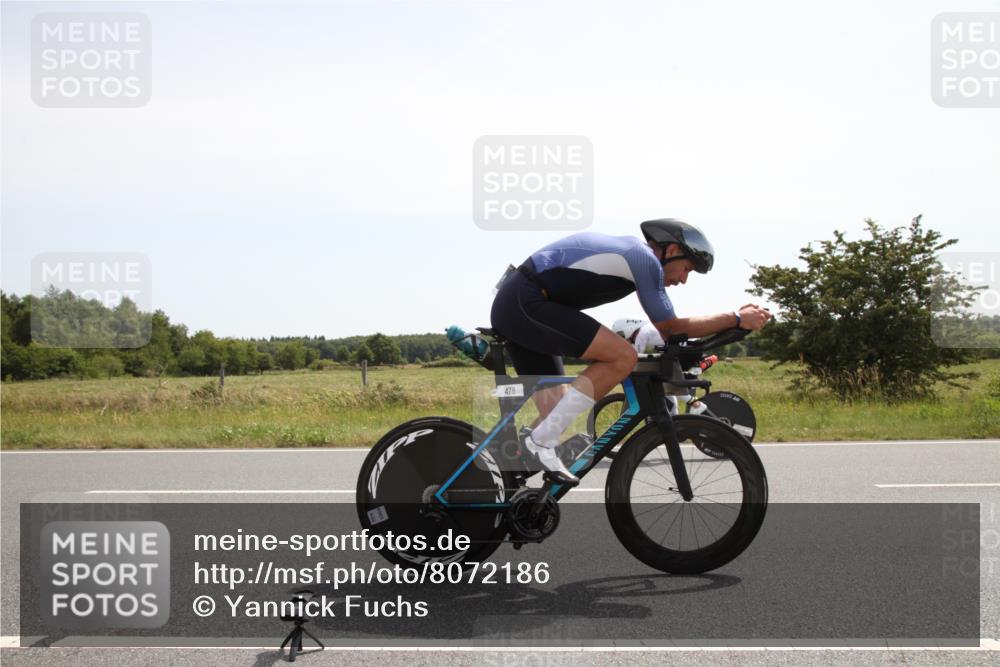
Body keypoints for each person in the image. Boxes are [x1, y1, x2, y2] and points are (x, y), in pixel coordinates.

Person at [490, 219, 771, 485]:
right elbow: (671, 328)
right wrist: (735, 318)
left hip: (524, 303)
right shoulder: (644, 259)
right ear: (671, 251)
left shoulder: (637, 259)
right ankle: (538, 444)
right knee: (622, 356)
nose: (684, 279)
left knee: (555, 415)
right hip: (525, 301)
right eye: (687, 268)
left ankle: (501, 474)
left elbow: (670, 332)